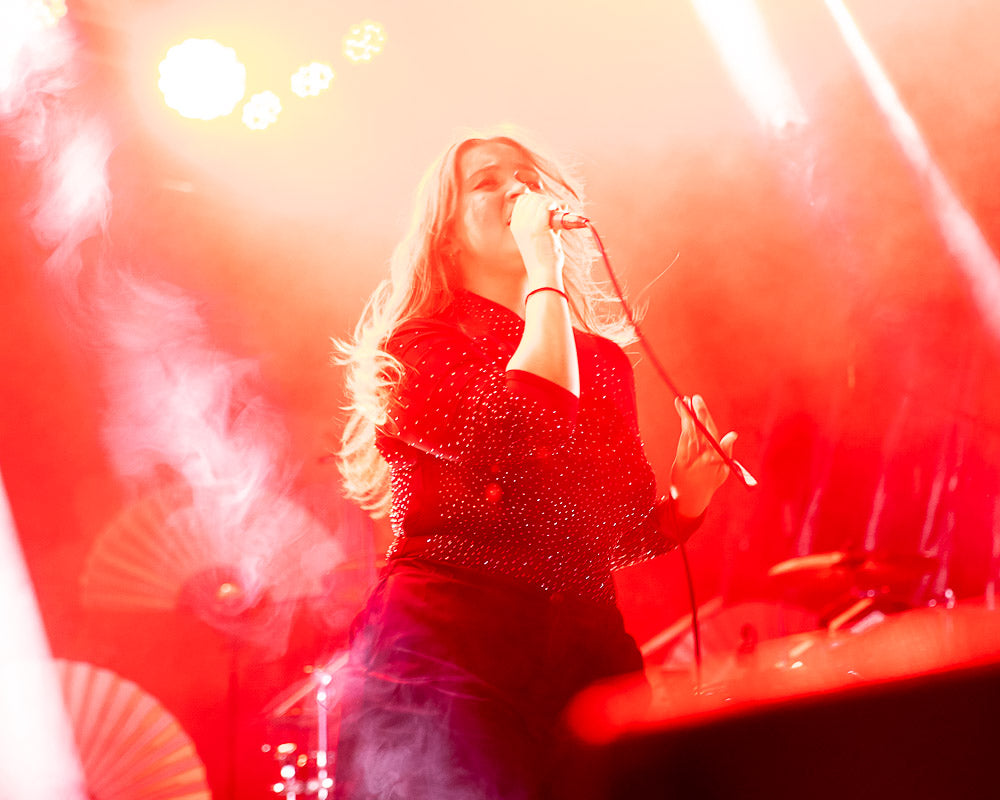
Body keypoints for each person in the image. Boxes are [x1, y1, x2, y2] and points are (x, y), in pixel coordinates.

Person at [333, 128, 736, 800]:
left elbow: (621, 533)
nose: (517, 189)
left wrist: (687, 496)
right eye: (487, 182)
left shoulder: (598, 361)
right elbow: (527, 419)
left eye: (524, 176)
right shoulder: (419, 348)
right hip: (450, 646)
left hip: (582, 652)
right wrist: (543, 271)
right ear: (448, 232)